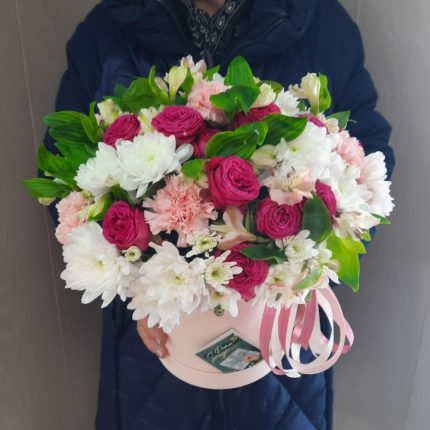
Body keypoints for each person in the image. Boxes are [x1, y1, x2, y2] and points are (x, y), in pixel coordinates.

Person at [45, 0, 395, 429]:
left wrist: (311, 270)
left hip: (281, 334)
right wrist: (132, 292)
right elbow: (68, 177)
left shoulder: (321, 23)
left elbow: (363, 157)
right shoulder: (108, 29)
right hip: (155, 338)